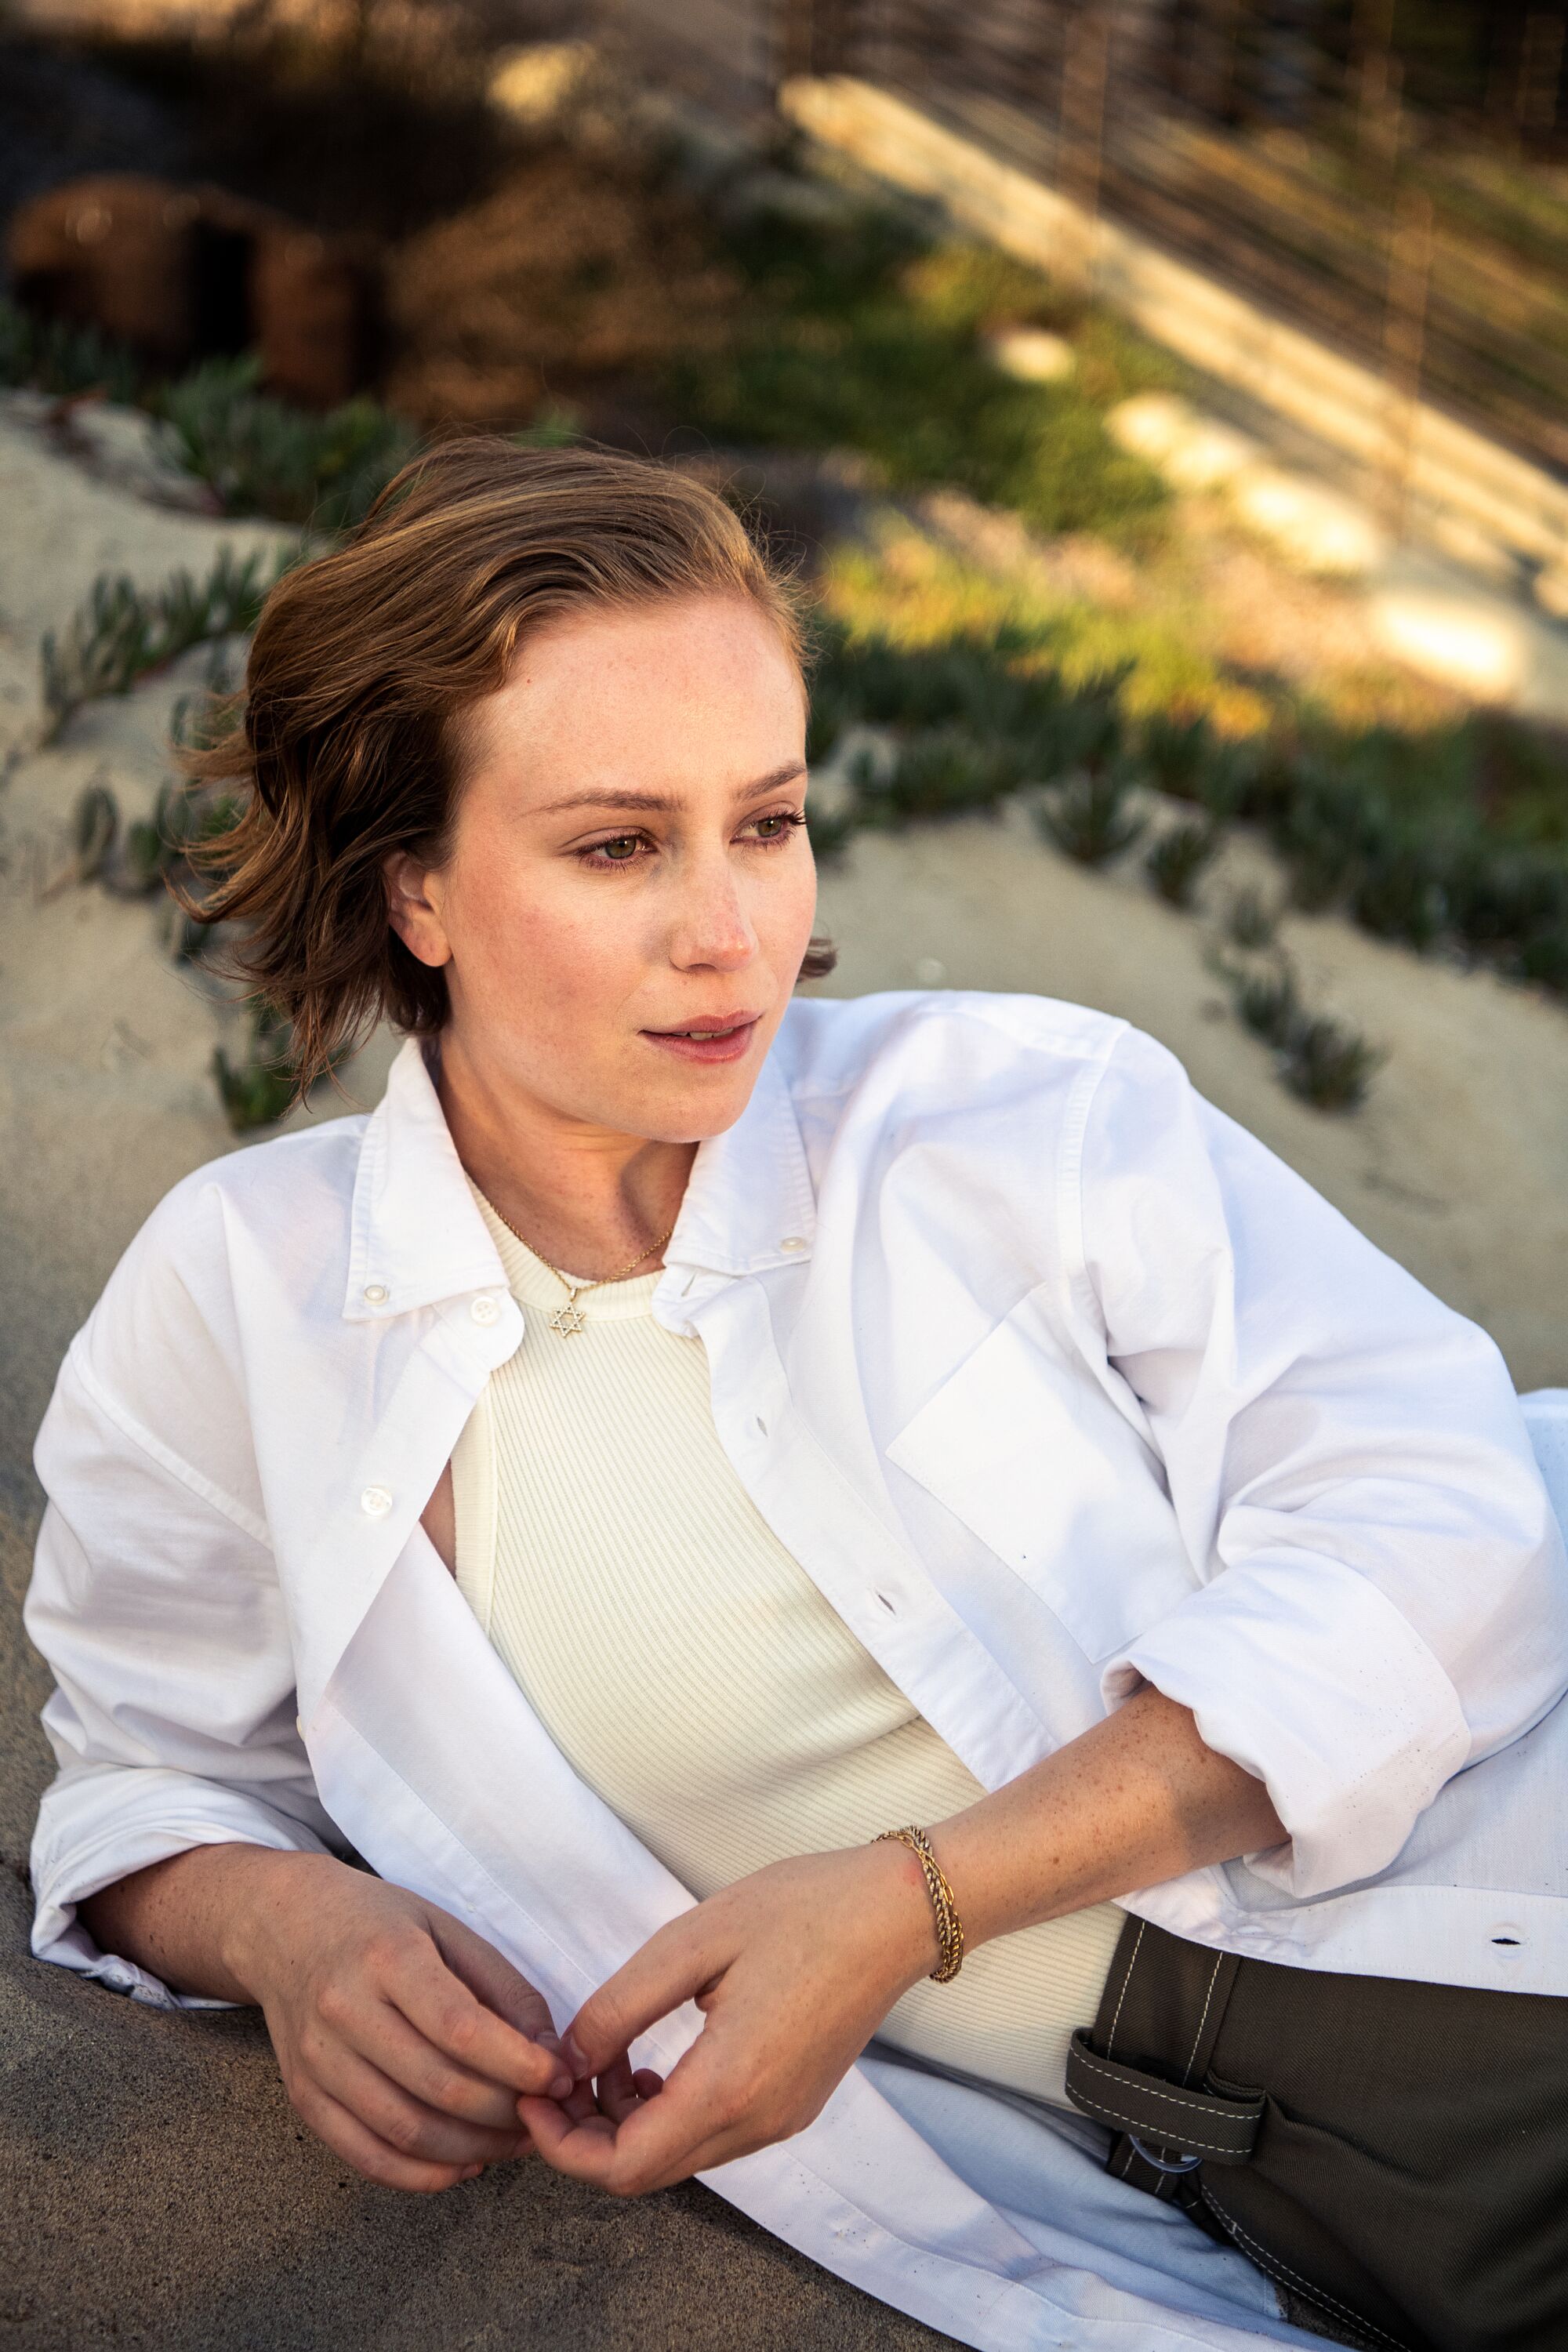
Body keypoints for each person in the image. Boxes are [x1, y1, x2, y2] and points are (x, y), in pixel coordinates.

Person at [24, 439, 1568, 2352]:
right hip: (1159, 2200)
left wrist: (917, 1898)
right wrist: (281, 1929)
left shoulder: (1017, 1116)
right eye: (617, 845)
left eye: (765, 822)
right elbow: (145, 1769)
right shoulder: (243, 1291)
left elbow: (1435, 1522)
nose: (727, 931)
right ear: (412, 882)